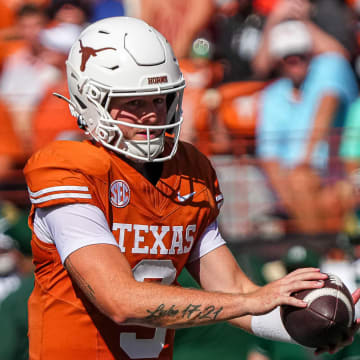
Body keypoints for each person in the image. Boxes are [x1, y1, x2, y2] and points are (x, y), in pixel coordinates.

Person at [23, 17, 360, 360]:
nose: (153, 115)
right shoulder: (67, 168)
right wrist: (249, 301)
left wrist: (312, 324)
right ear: (90, 101)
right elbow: (120, 301)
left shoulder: (189, 172)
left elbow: (236, 291)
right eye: (135, 103)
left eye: (161, 99)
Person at [254, 1, 359, 234]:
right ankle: (326, 252)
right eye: (287, 56)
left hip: (339, 172)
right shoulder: (271, 95)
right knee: (298, 184)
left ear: (311, 52)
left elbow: (327, 102)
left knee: (306, 183)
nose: (295, 61)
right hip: (299, 183)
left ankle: (328, 251)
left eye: (301, 54)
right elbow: (269, 158)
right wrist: (274, 19)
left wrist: (301, 21)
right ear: (278, 59)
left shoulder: (330, 66)